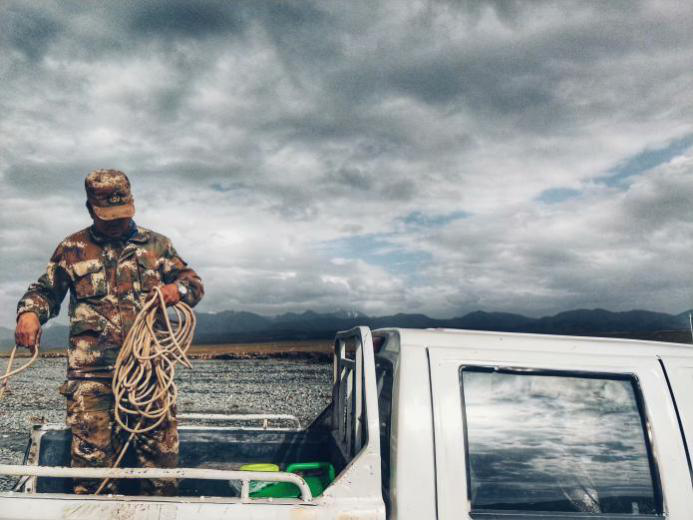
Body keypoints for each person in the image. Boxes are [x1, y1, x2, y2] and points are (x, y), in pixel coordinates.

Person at [14, 169, 204, 496]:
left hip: (148, 375)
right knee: (92, 474)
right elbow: (45, 291)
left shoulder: (157, 246)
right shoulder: (72, 248)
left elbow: (194, 284)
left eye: (123, 213)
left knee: (161, 471)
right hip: (91, 379)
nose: (117, 222)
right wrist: (29, 313)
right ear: (90, 209)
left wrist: (178, 290)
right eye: (108, 216)